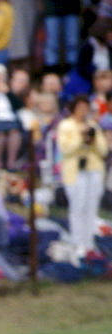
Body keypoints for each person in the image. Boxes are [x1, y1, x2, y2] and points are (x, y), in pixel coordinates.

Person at [56, 94, 107, 255]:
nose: (83, 111)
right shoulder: (66, 125)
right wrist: (80, 136)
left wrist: (91, 138)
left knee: (91, 208)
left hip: (93, 169)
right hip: (75, 171)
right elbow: (65, 149)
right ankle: (78, 243)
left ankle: (89, 243)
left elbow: (103, 150)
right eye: (80, 108)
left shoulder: (93, 125)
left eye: (86, 108)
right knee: (78, 207)